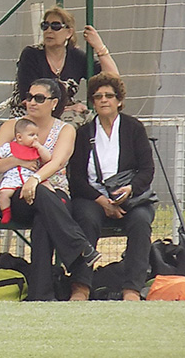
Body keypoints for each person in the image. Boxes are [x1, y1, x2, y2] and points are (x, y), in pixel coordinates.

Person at [0, 78, 101, 301]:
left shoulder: (66, 129)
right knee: (40, 197)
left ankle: (41, 295)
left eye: (39, 98)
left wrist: (35, 179)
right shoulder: (12, 127)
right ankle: (79, 248)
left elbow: (57, 163)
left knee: (43, 220)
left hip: (54, 192)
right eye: (29, 97)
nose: (31, 102)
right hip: (16, 195)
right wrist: (17, 161)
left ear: (54, 102)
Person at [68, 72, 155, 301]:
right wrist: (101, 201)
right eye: (98, 96)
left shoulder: (134, 128)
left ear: (119, 100)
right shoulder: (83, 133)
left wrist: (129, 190)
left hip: (129, 196)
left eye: (109, 95)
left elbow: (147, 170)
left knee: (140, 221)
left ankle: (132, 289)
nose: (104, 100)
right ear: (93, 102)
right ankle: (81, 287)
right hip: (93, 198)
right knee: (85, 218)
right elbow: (76, 179)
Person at [12, 5, 120, 125]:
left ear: (69, 32)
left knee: (91, 124)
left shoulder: (76, 57)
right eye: (45, 26)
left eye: (56, 26)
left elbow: (113, 78)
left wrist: (99, 47)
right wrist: (69, 108)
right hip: (30, 113)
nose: (49, 30)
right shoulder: (31, 54)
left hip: (65, 115)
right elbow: (27, 98)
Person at [0, 118, 53, 224]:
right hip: (13, 177)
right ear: (19, 137)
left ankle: (55, 200)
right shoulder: (9, 147)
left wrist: (39, 147)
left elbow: (47, 158)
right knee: (4, 194)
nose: (35, 138)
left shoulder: (36, 148)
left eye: (37, 135)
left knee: (47, 185)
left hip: (31, 176)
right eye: (31, 135)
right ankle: (6, 212)